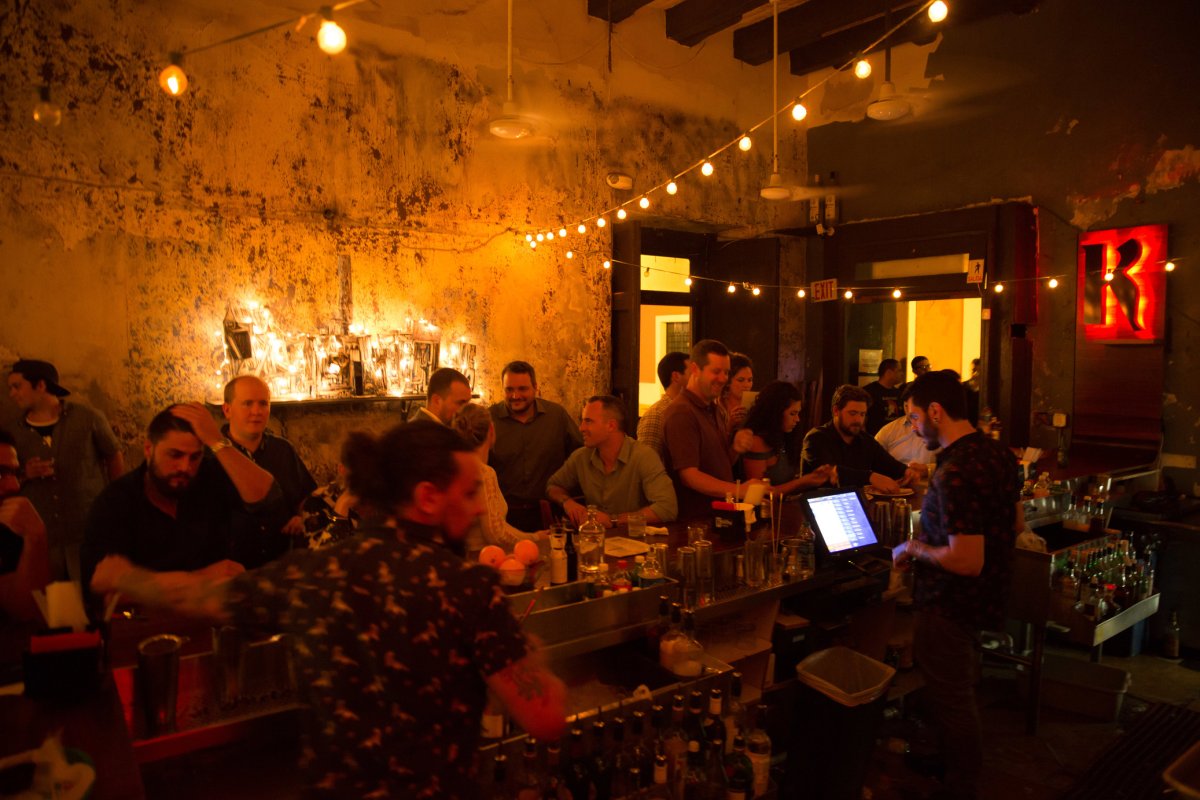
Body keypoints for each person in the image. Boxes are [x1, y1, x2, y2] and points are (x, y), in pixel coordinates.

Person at [90, 421, 567, 798]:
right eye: (468, 493)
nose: (481, 509)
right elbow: (545, 718)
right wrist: (528, 650)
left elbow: (208, 597)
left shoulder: (315, 571)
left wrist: (128, 579)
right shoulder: (465, 589)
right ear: (427, 498)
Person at [891, 369, 1021, 800]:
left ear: (935, 411)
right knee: (958, 689)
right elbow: (1015, 522)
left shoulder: (956, 472)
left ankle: (959, 786)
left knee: (953, 697)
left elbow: (966, 560)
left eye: (913, 418)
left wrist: (915, 549)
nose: (913, 427)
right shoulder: (997, 454)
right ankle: (949, 764)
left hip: (950, 601)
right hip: (987, 596)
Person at [79, 403, 280, 590]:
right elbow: (102, 587)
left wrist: (217, 441)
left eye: (195, 457)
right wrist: (198, 578)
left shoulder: (207, 477)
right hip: (148, 623)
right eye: (175, 455)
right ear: (149, 449)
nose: (185, 467)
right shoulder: (116, 502)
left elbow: (267, 497)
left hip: (212, 620)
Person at [6, 359, 124, 582]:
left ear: (40, 385)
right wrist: (25, 474)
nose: (12, 393)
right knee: (51, 605)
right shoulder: (12, 432)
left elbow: (113, 454)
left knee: (95, 598)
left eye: (17, 386)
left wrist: (116, 501)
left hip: (87, 530)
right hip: (42, 540)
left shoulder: (88, 418)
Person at [221, 376, 316, 566]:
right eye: (247, 403)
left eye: (263, 403)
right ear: (227, 410)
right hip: (232, 569)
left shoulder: (283, 450)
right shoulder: (211, 455)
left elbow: (308, 498)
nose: (257, 411)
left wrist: (302, 517)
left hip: (282, 564)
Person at [547, 396, 677, 527]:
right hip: (594, 540)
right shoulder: (581, 457)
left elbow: (667, 508)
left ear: (611, 425)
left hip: (635, 541)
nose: (581, 428)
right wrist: (567, 502)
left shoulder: (643, 456)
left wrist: (614, 520)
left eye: (588, 421)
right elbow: (553, 486)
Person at [661, 340, 756, 520]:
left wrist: (736, 447)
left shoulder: (713, 408)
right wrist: (739, 490)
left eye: (726, 372)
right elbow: (689, 476)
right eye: (716, 371)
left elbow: (720, 463)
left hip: (719, 516)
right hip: (696, 521)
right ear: (695, 369)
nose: (723, 379)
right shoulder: (681, 412)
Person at [489, 361, 583, 532]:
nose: (515, 396)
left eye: (522, 389)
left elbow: (580, 456)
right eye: (509, 389)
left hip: (549, 514)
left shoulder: (556, 416)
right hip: (503, 516)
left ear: (535, 387)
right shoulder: (489, 419)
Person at [452, 402, 541, 556]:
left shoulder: (453, 468)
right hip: (484, 559)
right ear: (491, 431)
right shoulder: (484, 473)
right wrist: (535, 538)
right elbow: (496, 533)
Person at [799, 384, 922, 491]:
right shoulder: (816, 438)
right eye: (852, 413)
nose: (858, 420)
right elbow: (828, 473)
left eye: (862, 414)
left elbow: (888, 464)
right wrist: (870, 476)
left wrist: (906, 472)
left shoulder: (865, 440)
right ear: (836, 411)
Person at [739, 381, 834, 495]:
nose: (797, 419)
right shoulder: (756, 442)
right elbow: (760, 493)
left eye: (798, 413)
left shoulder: (784, 437)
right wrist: (803, 482)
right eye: (792, 413)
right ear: (775, 412)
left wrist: (813, 476)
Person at [0, 430, 50, 622]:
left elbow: (26, 613)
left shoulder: (6, 530)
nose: (14, 486)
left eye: (14, 473)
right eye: (0, 473)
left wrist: (36, 538)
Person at [637, 351, 688, 459]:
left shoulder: (690, 410)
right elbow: (646, 464)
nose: (697, 378)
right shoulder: (657, 415)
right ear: (676, 376)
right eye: (692, 373)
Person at [875, 388, 939, 467]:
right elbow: (873, 459)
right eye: (906, 406)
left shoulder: (940, 430)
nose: (909, 410)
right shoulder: (888, 430)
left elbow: (951, 464)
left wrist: (928, 469)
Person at [863, 358, 904, 436]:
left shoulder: (899, 393)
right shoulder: (868, 392)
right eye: (899, 370)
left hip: (895, 439)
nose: (902, 374)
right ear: (888, 372)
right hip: (875, 439)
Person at [720, 353, 754, 430]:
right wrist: (730, 424)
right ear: (728, 381)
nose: (746, 385)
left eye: (750, 380)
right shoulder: (719, 406)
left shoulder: (754, 405)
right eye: (741, 380)